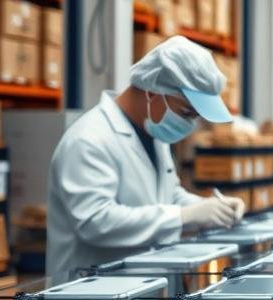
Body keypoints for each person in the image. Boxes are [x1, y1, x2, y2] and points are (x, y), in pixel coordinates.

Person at [47, 36, 245, 282]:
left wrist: (212, 209)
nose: (190, 124)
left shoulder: (153, 134)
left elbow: (167, 196)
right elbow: (95, 221)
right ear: (153, 91)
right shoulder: (88, 140)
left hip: (140, 296)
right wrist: (185, 216)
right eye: (186, 112)